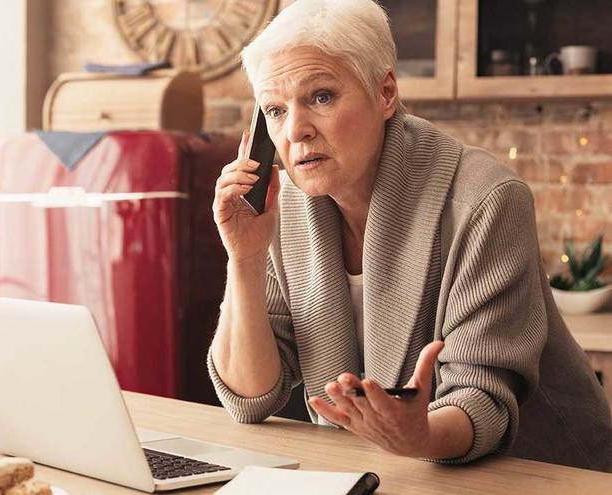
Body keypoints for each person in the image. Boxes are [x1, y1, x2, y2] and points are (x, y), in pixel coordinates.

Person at [207, 0, 612, 471]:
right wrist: (245, 257)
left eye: (321, 96)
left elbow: (482, 399)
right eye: (275, 110)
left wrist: (417, 433)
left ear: (386, 93)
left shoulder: (486, 200)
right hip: (394, 470)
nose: (295, 130)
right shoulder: (282, 206)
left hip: (544, 472)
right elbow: (250, 398)